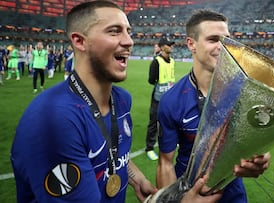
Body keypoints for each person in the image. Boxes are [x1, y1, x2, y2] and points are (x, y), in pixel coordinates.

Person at [10, 2, 221, 203]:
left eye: (128, 31)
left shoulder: (120, 100)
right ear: (79, 41)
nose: (129, 41)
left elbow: (108, 151)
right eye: (114, 31)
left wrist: (136, 178)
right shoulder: (53, 120)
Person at [156, 9, 271, 203]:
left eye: (226, 39)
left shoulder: (245, 92)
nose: (223, 46)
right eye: (213, 39)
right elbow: (165, 163)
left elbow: (253, 143)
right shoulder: (171, 101)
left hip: (232, 195)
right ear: (191, 44)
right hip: (188, 194)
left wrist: (261, 157)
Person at [145, 37, 175, 161]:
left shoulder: (172, 61)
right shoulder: (156, 62)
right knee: (153, 123)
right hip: (158, 98)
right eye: (169, 45)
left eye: (172, 45)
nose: (171, 47)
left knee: (169, 121)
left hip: (169, 97)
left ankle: (168, 142)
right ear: (162, 47)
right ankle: (150, 148)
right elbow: (151, 80)